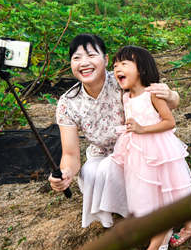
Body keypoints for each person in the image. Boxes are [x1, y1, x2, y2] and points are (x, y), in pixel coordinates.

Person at [49, 34, 180, 229]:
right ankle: (117, 215)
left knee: (109, 169)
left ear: (106, 59)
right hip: (102, 153)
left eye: (91, 55)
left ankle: (146, 216)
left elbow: (168, 101)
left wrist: (171, 94)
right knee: (89, 172)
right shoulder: (68, 103)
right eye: (76, 58)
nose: (84, 63)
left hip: (138, 148)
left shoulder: (122, 81)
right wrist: (66, 174)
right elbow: (70, 154)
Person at [109, 45, 191, 250]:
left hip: (159, 150)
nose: (117, 68)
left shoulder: (153, 94)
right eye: (115, 65)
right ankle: (189, 226)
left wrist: (142, 128)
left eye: (124, 64)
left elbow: (169, 122)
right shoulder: (126, 95)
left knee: (165, 197)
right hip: (138, 152)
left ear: (141, 68)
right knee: (159, 194)